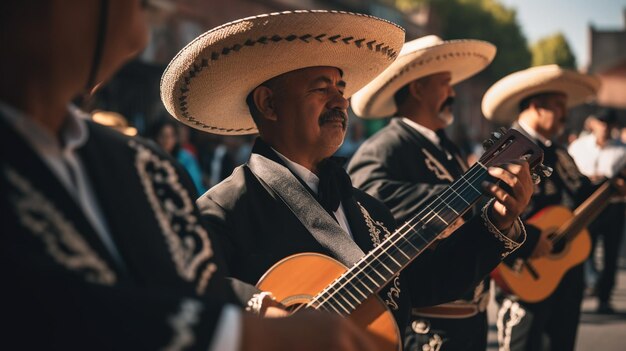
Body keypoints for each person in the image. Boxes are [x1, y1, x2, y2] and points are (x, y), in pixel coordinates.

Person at [0, 2, 384, 350]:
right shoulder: (222, 203)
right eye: (133, 6)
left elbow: (198, 289)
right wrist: (249, 328)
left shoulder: (147, 168)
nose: (139, 36)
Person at [160, 10, 533, 346]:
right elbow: (182, 290)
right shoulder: (223, 208)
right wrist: (264, 310)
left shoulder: (367, 210)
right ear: (268, 104)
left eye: (340, 88)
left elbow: (420, 284)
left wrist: (497, 223)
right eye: (321, 89)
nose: (340, 101)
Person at [346, 35, 510, 350]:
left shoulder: (446, 147)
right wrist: (456, 202)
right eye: (444, 83)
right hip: (426, 326)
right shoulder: (384, 146)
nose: (453, 92)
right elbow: (369, 198)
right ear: (418, 88)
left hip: (469, 319)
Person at [482, 64, 626, 351]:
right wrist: (532, 241)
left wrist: (613, 186)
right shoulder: (507, 150)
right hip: (524, 274)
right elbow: (489, 211)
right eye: (559, 106)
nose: (566, 113)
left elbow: (583, 191)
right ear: (537, 106)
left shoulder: (559, 152)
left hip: (565, 275)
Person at [568, 109, 626, 313]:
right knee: (583, 249)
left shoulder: (622, 150)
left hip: (613, 206)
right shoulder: (578, 147)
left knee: (610, 254)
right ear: (592, 123)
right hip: (586, 207)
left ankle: (604, 297)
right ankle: (585, 285)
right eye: (601, 122)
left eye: (608, 123)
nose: (604, 127)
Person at [149, 118, 206, 194]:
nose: (167, 140)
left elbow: (195, 185)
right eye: (162, 136)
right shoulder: (149, 158)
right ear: (155, 137)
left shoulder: (186, 158)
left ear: (175, 138)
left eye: (170, 136)